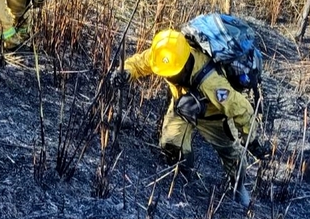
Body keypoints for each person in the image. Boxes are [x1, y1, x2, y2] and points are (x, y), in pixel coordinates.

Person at [110, 29, 265, 206]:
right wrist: (126, 72)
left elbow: (242, 109)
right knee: (171, 143)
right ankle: (182, 177)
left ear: (184, 65)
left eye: (172, 74)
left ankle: (238, 187)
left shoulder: (212, 82)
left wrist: (251, 140)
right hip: (182, 107)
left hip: (213, 117)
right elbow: (141, 62)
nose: (168, 77)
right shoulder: (166, 55)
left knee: (231, 154)